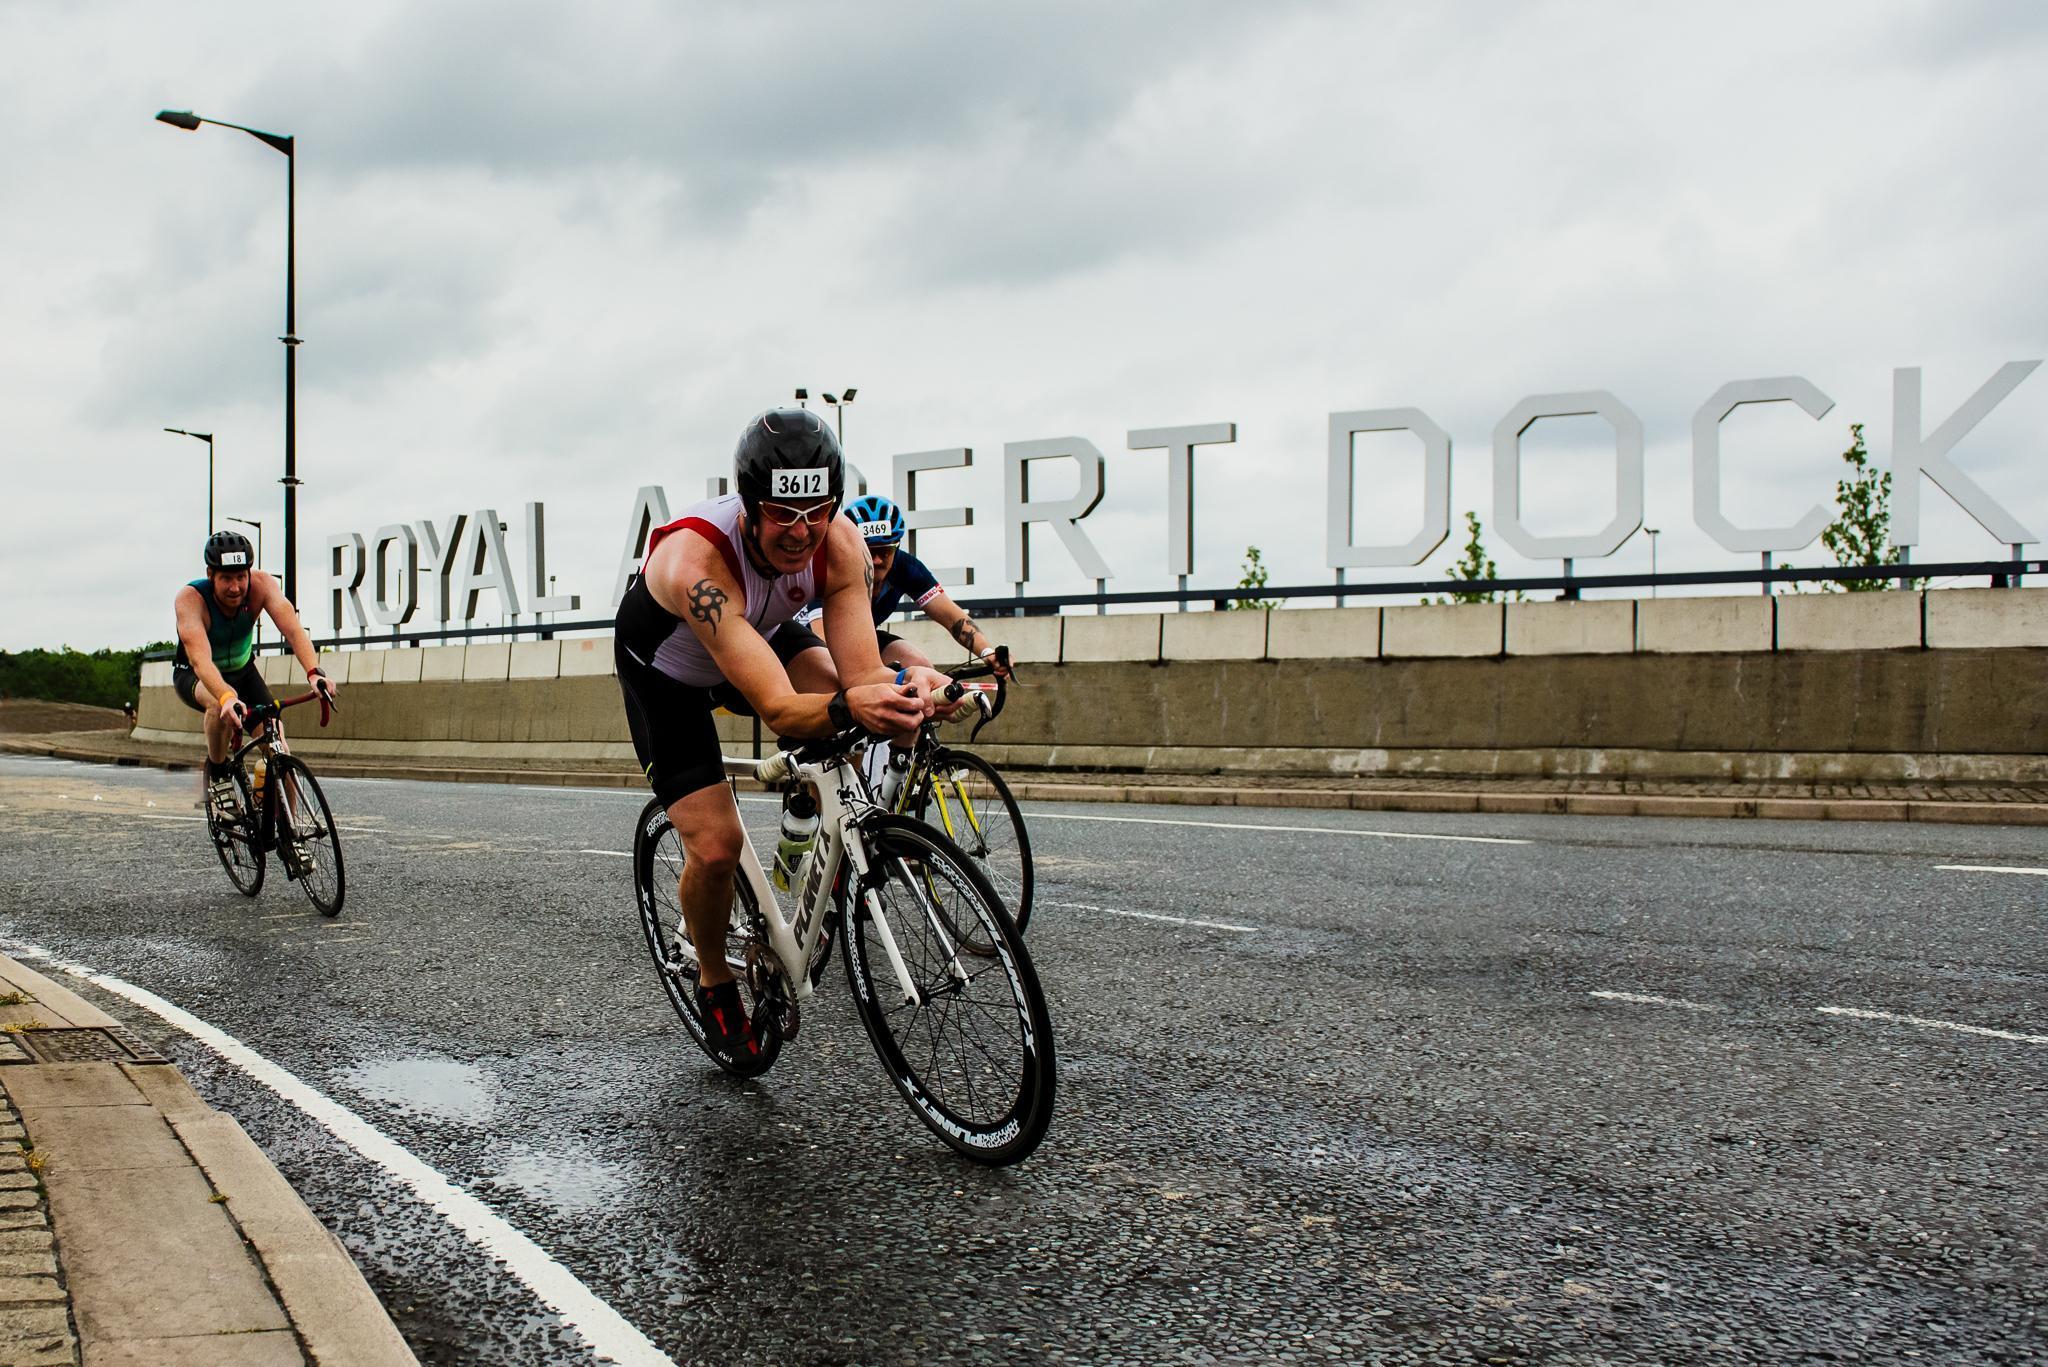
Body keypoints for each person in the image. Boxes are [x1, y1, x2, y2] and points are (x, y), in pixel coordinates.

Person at [614, 408, 962, 1056]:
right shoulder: (698, 561)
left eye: (817, 511)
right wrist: (851, 707)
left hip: (762, 633)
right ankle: (715, 981)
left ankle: (805, 835)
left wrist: (907, 688)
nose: (801, 533)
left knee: (849, 702)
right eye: (782, 513)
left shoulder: (843, 543)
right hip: (668, 672)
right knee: (716, 847)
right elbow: (776, 705)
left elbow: (859, 676)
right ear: (748, 505)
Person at [803, 493, 1010, 802]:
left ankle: (897, 774)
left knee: (918, 664)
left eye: (885, 551)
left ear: (897, 546)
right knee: (843, 684)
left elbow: (952, 616)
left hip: (862, 634)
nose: (876, 560)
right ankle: (849, 786)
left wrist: (986, 651)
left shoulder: (905, 567)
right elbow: (826, 644)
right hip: (817, 638)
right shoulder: (834, 563)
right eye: (869, 550)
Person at [172, 531, 337, 818]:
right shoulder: (191, 599)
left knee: (279, 749)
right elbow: (200, 660)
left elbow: (294, 631)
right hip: (196, 675)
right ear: (210, 574)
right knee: (217, 703)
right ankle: (220, 775)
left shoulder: (262, 586)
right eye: (226, 578)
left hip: (244, 672)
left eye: (241, 577)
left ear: (250, 572)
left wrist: (314, 673)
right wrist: (225, 696)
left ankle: (291, 833)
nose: (235, 587)